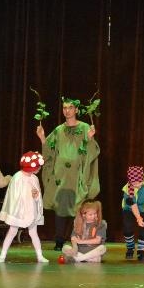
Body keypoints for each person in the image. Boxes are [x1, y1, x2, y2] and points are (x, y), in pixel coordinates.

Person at [36, 97, 100, 251]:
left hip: (77, 175)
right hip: (61, 176)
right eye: (65, 108)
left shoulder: (84, 128)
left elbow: (92, 152)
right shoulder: (59, 130)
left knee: (77, 207)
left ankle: (76, 239)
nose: (67, 111)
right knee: (60, 207)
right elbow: (49, 151)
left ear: (76, 110)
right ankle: (59, 241)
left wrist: (90, 139)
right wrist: (42, 137)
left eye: (70, 108)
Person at [0, 151, 48, 263]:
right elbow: (14, 196)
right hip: (19, 210)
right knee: (12, 232)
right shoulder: (17, 177)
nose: (39, 169)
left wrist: (36, 196)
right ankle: (2, 256)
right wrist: (28, 195)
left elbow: (37, 194)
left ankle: (40, 256)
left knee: (33, 233)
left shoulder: (34, 178)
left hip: (31, 210)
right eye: (38, 167)